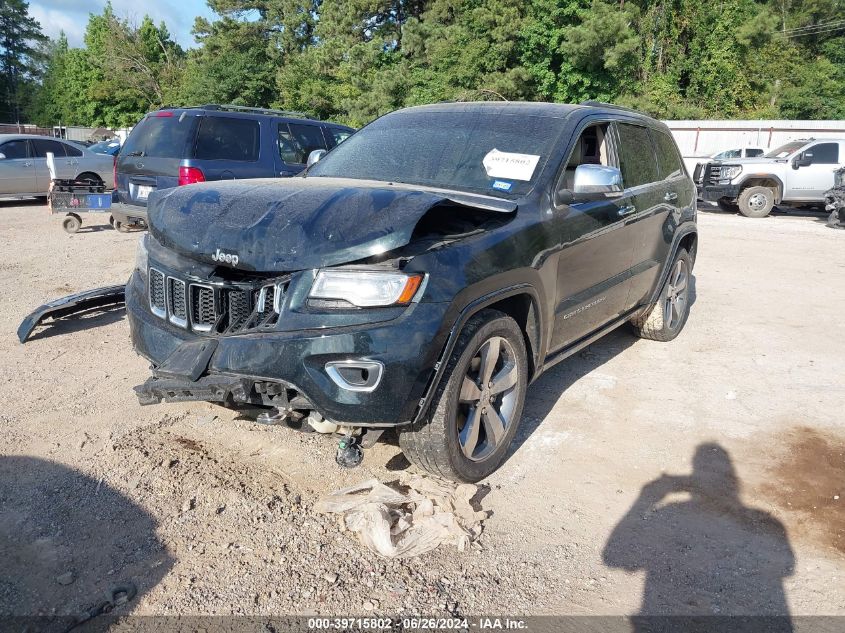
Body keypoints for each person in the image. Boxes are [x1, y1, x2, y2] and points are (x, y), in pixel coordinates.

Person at [603, 443, 794, 633]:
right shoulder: (771, 523)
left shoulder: (670, 512)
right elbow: (787, 568)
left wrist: (644, 499)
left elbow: (613, 557)